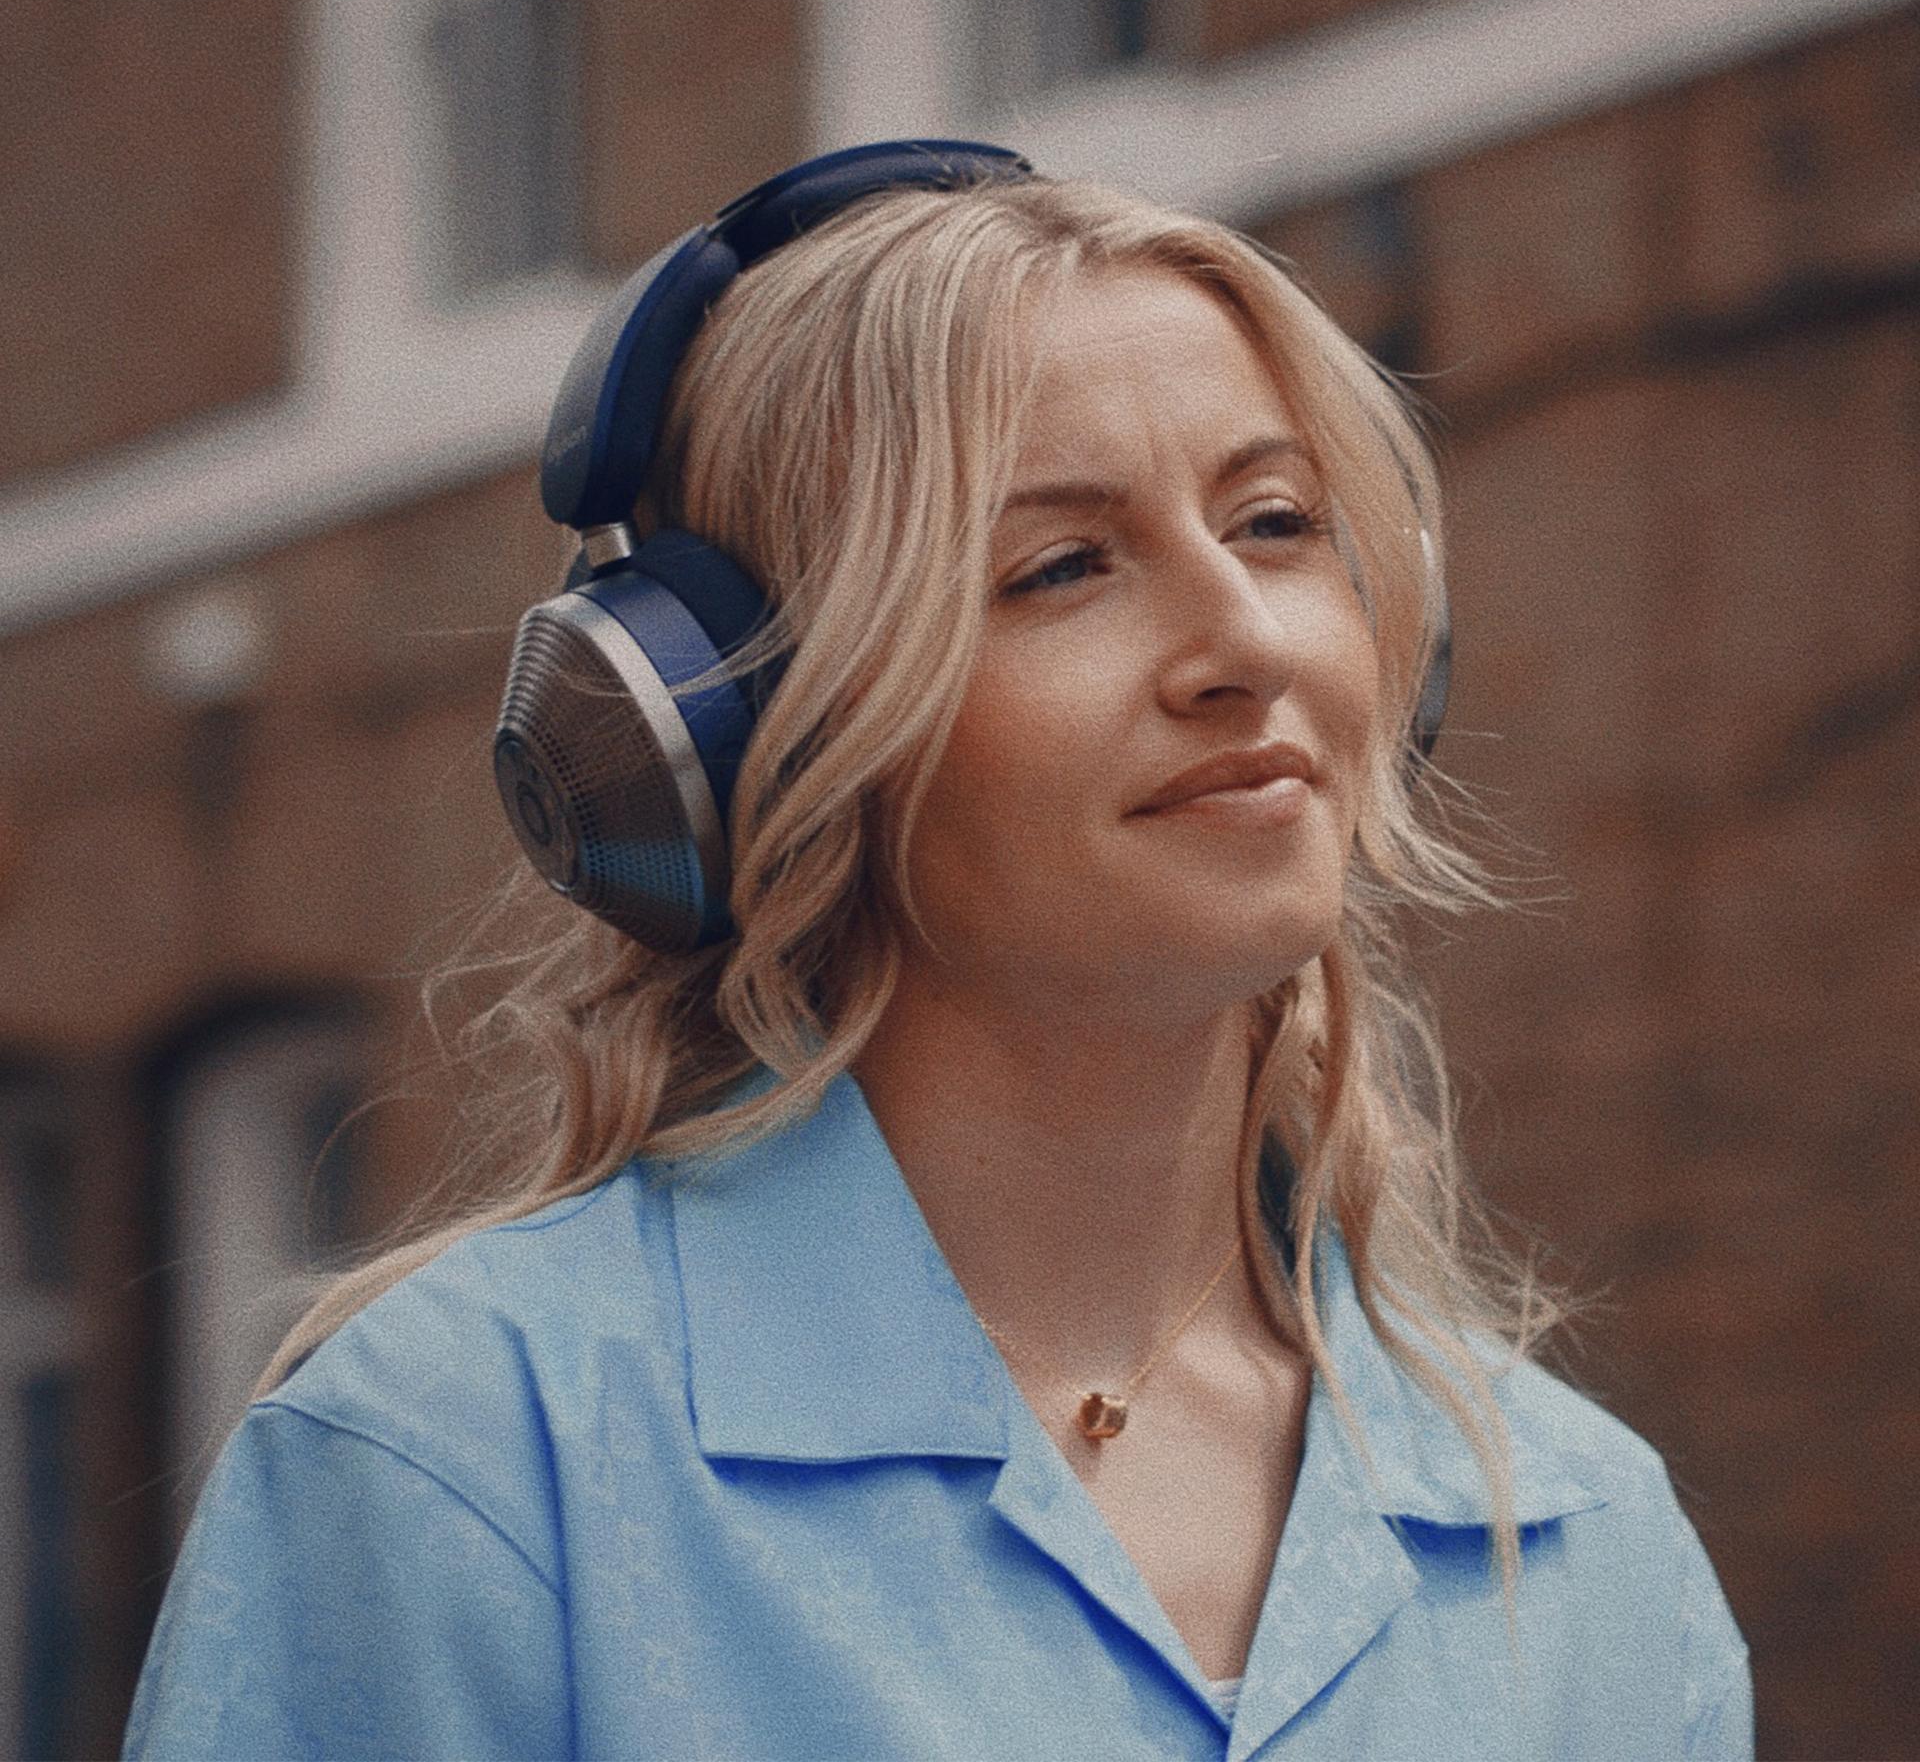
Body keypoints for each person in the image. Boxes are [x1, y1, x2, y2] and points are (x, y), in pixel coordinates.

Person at [123, 143, 1752, 1760]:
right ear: (739, 728)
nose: (1247, 642)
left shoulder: (1598, 1555)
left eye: (1275, 523)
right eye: (1061, 567)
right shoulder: (459, 1464)